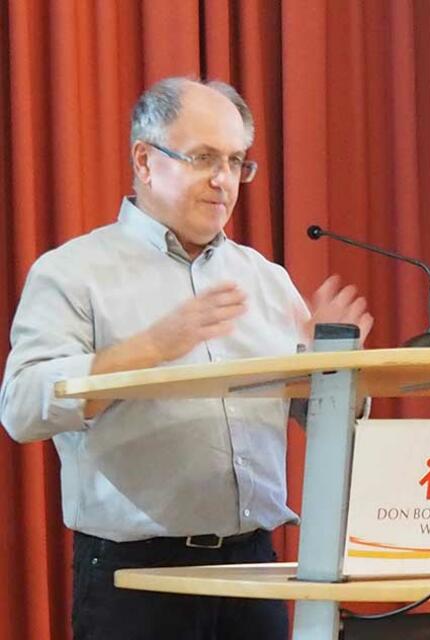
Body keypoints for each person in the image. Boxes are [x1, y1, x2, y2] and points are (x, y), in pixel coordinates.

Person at [0, 77, 373, 640]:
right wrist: (152, 347)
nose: (223, 180)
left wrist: (334, 373)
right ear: (145, 161)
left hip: (254, 570)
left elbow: (324, 424)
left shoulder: (266, 279)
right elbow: (22, 408)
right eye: (203, 158)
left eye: (236, 162)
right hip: (138, 579)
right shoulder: (73, 272)